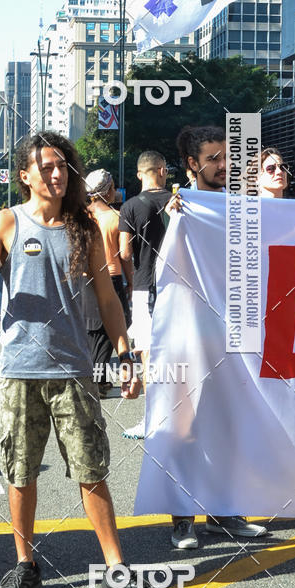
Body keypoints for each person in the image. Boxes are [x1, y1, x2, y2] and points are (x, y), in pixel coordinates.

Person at [0, 131, 166, 588]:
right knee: (21, 470)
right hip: (20, 371)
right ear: (24, 176)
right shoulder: (6, 222)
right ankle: (24, 566)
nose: (55, 174)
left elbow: (108, 298)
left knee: (91, 470)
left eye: (62, 166)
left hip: (75, 369)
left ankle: (116, 569)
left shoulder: (85, 228)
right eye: (45, 166)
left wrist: (124, 353)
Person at [168, 126, 267, 549]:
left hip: (235, 332)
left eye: (227, 157)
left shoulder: (238, 207)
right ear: (193, 164)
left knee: (228, 424)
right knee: (185, 424)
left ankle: (224, 512)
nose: (224, 166)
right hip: (187, 330)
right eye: (213, 158)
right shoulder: (173, 206)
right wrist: (173, 217)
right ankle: (182, 518)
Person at [118, 151, 171, 438]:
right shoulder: (180, 202)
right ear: (162, 171)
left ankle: (153, 418)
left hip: (144, 283)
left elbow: (124, 251)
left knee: (148, 352)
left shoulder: (130, 207)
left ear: (140, 174)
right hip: (180, 285)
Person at [84, 169, 131, 398]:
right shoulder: (116, 217)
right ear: (108, 190)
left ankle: (94, 378)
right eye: (113, 187)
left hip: (84, 279)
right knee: (109, 329)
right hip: (111, 276)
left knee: (92, 328)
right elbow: (125, 254)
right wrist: (131, 282)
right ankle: (98, 380)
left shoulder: (82, 217)